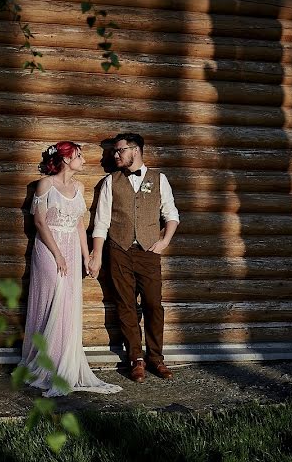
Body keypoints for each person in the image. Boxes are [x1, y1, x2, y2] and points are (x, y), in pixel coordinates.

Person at [19, 141, 122, 397]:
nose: (83, 160)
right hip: (49, 249)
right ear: (65, 159)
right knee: (52, 301)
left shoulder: (79, 187)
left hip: (73, 251)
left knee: (68, 304)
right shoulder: (46, 185)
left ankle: (63, 361)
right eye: (79, 156)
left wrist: (87, 257)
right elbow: (40, 223)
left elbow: (79, 225)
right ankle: (46, 365)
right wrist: (58, 255)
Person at [88, 133, 180, 383]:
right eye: (114, 152)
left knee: (153, 305)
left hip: (149, 253)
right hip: (119, 251)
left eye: (119, 151)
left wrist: (164, 241)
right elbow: (101, 223)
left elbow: (171, 213)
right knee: (125, 305)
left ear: (135, 150)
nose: (114, 155)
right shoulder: (110, 181)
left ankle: (156, 358)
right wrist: (97, 255)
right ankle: (135, 360)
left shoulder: (159, 179)